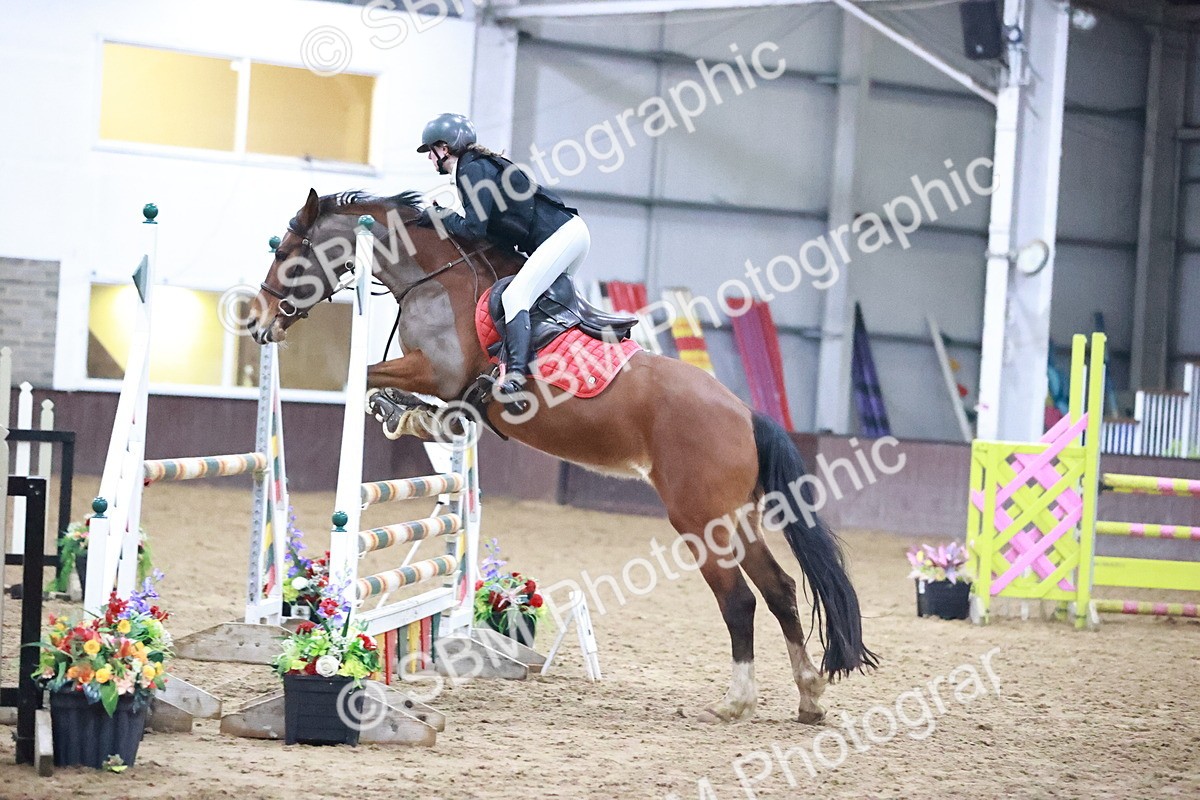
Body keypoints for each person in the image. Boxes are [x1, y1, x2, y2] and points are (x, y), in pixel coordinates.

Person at [416, 113, 589, 409]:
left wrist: (439, 215)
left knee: (516, 296)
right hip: (567, 235)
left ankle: (516, 377)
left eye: (429, 152)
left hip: (563, 236)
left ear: (443, 148)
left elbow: (474, 229)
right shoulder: (475, 167)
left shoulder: (470, 169)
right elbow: (493, 234)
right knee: (539, 306)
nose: (429, 159)